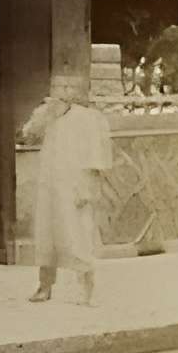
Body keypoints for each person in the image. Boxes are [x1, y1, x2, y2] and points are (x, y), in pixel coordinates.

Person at [20, 70, 113, 306]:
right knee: (46, 235)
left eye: (68, 88)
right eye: (57, 88)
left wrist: (89, 186)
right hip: (49, 183)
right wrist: (42, 117)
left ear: (78, 91)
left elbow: (97, 155)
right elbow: (27, 136)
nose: (63, 93)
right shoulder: (46, 113)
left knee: (77, 234)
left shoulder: (90, 118)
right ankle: (45, 285)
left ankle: (86, 287)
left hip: (75, 185)